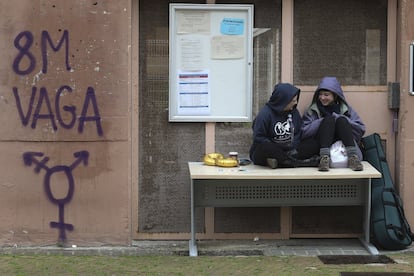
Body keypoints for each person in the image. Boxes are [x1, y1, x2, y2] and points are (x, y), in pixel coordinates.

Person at [299, 76, 365, 171]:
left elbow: (360, 129)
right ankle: (324, 159)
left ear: (335, 95)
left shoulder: (346, 110)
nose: (322, 98)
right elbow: (304, 132)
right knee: (328, 120)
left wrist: (338, 117)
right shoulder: (312, 110)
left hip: (343, 144)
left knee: (341, 120)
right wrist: (322, 121)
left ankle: (353, 158)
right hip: (320, 144)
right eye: (320, 94)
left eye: (326, 95)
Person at [249, 83, 319, 169]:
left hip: (290, 150)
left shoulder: (294, 112)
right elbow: (258, 138)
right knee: (265, 147)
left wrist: (293, 148)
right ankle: (296, 162)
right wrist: (279, 147)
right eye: (293, 101)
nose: (296, 103)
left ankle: (281, 162)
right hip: (273, 149)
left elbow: (298, 132)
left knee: (313, 143)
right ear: (283, 101)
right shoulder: (265, 114)